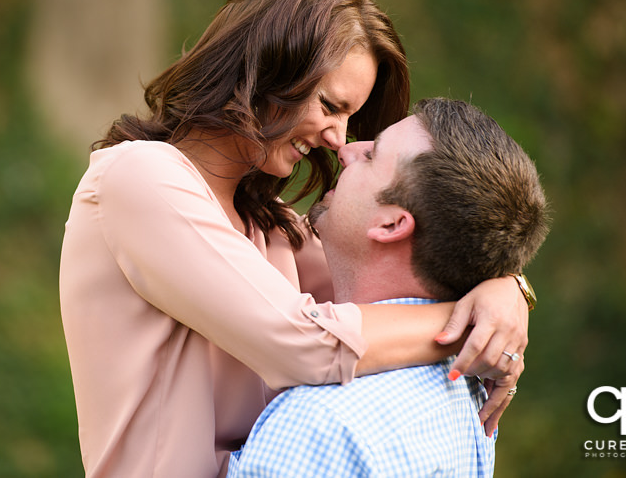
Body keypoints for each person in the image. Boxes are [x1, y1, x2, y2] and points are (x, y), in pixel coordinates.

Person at [60, 0, 534, 478]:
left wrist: (505, 286)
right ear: (266, 70)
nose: (339, 140)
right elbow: (306, 344)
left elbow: (411, 259)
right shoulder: (138, 180)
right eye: (331, 106)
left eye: (351, 117)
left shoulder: (270, 225)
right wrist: (464, 329)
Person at [226, 98, 550, 477]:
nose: (346, 149)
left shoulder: (321, 426)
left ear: (392, 225)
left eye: (372, 155)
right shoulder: (468, 391)